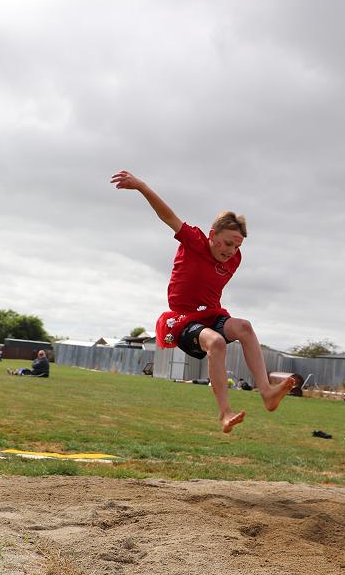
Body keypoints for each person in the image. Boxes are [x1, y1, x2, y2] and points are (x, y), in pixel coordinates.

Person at [110, 170, 294, 432]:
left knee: (245, 327)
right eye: (227, 244)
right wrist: (141, 186)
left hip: (211, 314)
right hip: (182, 319)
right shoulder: (194, 240)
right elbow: (168, 216)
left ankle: (267, 392)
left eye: (237, 247)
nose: (231, 252)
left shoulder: (234, 260)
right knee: (216, 342)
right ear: (212, 235)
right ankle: (225, 413)